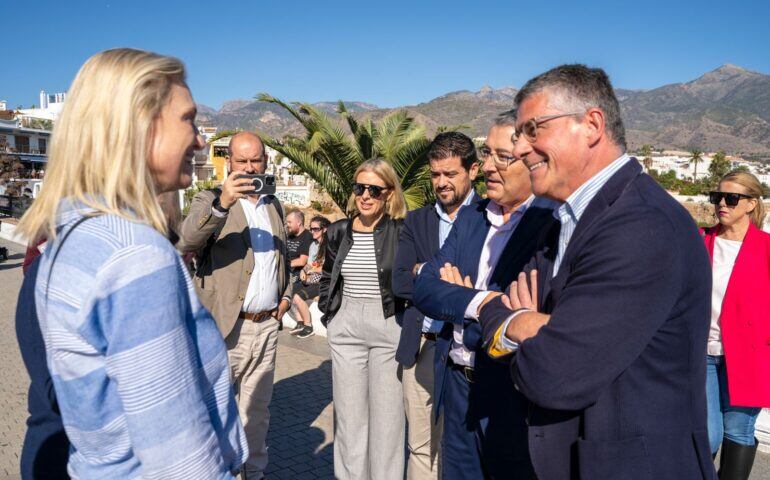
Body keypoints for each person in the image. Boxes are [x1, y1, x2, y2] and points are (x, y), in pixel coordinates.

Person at [15, 48, 247, 478]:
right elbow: (179, 457)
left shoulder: (73, 233)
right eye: (188, 119)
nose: (200, 140)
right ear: (139, 124)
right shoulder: (134, 253)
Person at [479, 64, 716, 479]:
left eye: (533, 130)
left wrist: (525, 324)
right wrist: (522, 323)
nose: (521, 149)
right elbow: (497, 310)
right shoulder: (560, 222)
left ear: (591, 125)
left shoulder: (642, 226)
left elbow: (554, 375)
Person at [411, 113, 555, 480]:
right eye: (487, 153)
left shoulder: (550, 223)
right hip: (459, 388)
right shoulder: (472, 216)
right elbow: (424, 286)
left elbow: (530, 316)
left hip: (512, 397)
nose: (488, 166)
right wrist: (482, 302)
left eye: (502, 156)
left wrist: (460, 298)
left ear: (532, 160)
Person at [179, 131, 292, 479]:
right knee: (214, 413)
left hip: (266, 327)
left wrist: (287, 296)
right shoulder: (210, 198)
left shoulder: (273, 205)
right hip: (225, 328)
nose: (249, 167)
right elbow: (187, 239)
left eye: (255, 160)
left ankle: (254, 474)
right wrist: (222, 204)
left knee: (256, 414)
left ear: (265, 161)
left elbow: (283, 259)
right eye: (241, 160)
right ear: (228, 162)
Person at [391, 131, 481, 479]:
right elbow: (400, 281)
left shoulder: (489, 218)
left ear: (473, 170)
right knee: (421, 448)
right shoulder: (418, 220)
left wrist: (425, 273)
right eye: (435, 174)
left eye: (450, 173)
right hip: (424, 348)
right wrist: (449, 284)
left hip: (467, 354)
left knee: (462, 449)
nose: (441, 183)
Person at [318, 158, 407, 480]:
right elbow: (328, 276)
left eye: (374, 189)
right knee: (349, 420)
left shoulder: (401, 231)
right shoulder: (338, 231)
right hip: (347, 325)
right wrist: (330, 315)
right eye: (359, 188)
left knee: (388, 423)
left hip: (388, 324)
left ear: (389, 193)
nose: (365, 196)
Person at [702, 171, 770, 479]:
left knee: (739, 430)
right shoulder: (700, 240)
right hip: (702, 353)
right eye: (717, 197)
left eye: (731, 198)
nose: (721, 204)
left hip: (749, 355)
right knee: (708, 434)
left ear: (751, 204)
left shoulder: (766, 247)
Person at [290, 215, 330, 338]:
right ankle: (300, 322)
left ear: (324, 229)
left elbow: (328, 268)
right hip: (311, 279)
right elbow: (310, 264)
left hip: (323, 282)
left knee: (298, 297)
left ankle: (308, 326)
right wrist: (303, 270)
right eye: (311, 228)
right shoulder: (313, 245)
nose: (312, 231)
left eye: (316, 229)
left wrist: (312, 270)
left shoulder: (330, 246)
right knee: (289, 291)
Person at [286, 209, 313, 283]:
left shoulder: (307, 236)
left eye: (289, 222)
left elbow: (302, 261)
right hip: (285, 271)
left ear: (299, 223)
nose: (287, 225)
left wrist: (283, 265)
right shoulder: (289, 236)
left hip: (297, 275)